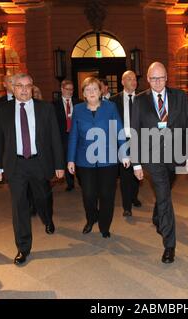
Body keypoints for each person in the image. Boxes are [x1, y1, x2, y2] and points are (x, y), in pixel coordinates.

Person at [0, 73, 65, 266]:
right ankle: (23, 248)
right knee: (19, 205)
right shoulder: (3, 110)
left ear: (32, 87)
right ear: (12, 88)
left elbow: (55, 139)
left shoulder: (45, 108)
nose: (24, 90)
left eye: (27, 86)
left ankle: (47, 218)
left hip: (39, 162)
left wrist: (59, 165)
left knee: (42, 197)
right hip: (15, 165)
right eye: (19, 86)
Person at [131, 62, 188, 264]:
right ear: (148, 79)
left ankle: (158, 215)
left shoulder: (179, 97)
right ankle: (170, 245)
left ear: (167, 77)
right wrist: (136, 164)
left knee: (165, 192)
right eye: (153, 78)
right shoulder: (140, 101)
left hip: (174, 155)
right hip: (152, 157)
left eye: (161, 78)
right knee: (165, 197)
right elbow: (134, 131)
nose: (158, 82)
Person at [68, 77, 128, 238]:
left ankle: (104, 225)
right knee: (88, 195)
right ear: (83, 94)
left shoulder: (111, 107)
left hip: (108, 159)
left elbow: (119, 130)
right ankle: (91, 218)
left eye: (95, 89)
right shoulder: (78, 109)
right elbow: (73, 135)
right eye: (88, 90)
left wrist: (124, 153)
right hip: (84, 161)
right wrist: (70, 159)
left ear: (101, 91)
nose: (92, 92)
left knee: (107, 195)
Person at [110, 70, 142, 217]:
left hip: (139, 140)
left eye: (135, 79)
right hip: (122, 141)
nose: (133, 81)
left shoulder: (143, 98)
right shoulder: (114, 100)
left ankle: (134, 196)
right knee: (125, 175)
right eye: (129, 79)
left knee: (137, 172)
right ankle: (126, 206)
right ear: (122, 82)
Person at [54, 79, 82, 192]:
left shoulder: (79, 103)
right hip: (63, 136)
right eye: (67, 89)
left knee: (78, 158)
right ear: (62, 89)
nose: (70, 92)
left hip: (77, 136)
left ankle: (82, 181)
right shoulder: (54, 105)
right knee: (67, 159)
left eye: (71, 89)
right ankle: (70, 183)